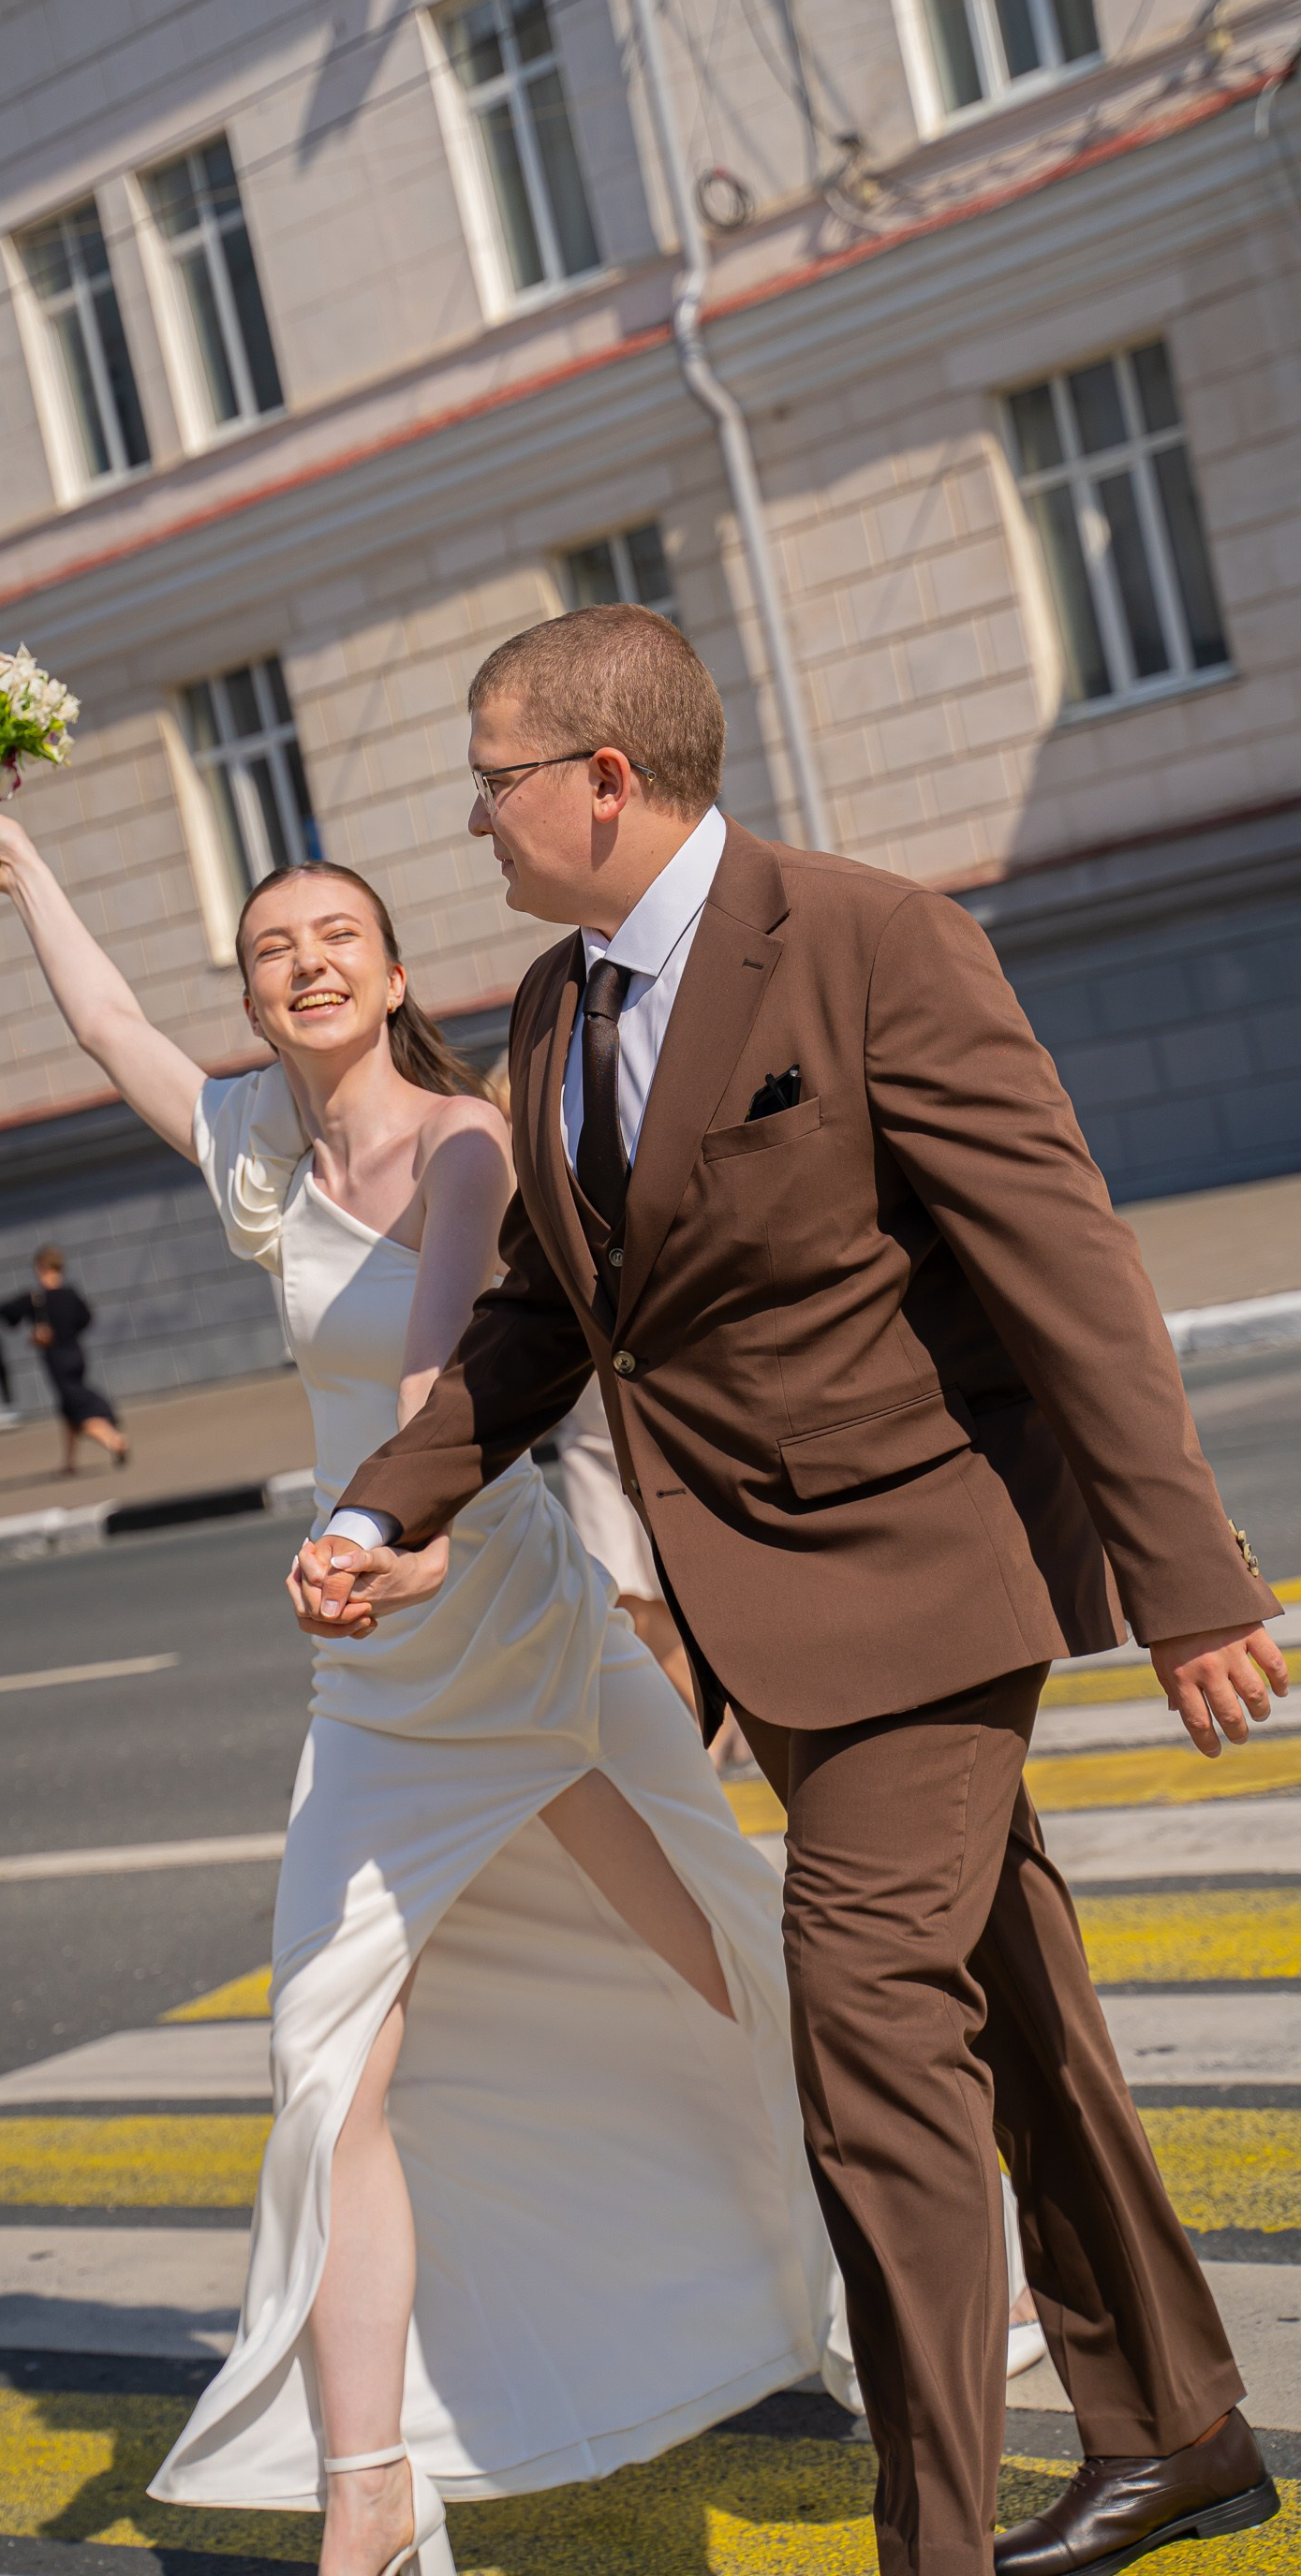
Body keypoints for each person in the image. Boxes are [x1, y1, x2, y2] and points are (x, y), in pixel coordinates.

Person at [295, 602, 1287, 2576]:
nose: (467, 821)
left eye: (488, 781)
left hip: (928, 1587)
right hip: (761, 1614)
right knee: (1020, 2017)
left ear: (600, 779)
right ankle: (1174, 2426)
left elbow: (1065, 1267)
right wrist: (391, 1510)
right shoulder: (560, 1008)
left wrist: (1190, 1586)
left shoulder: (864, 942)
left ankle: (928, 2539)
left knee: (868, 2039)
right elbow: (544, 1324)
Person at [0, 795, 851, 2576]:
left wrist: (408, 1533)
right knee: (327, 2062)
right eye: (269, 950)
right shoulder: (254, 1156)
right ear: (258, 993)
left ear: (388, 974)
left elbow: (449, 1371)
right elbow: (111, 1027)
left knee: (717, 1955)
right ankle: (368, 2483)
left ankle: (895, 2259)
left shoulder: (459, 1145)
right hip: (369, 1673)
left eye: (332, 940)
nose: (302, 967)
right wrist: (18, 856)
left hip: (494, 1613)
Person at [0, 1245, 128, 1473]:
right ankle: (70, 1463)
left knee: (79, 1412)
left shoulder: (37, 1299)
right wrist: (67, 1332)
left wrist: (39, 1332)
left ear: (41, 1268)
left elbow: (2, 1312)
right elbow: (86, 1318)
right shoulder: (71, 1295)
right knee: (68, 1408)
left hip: (57, 1361)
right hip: (77, 1355)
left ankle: (114, 1440)